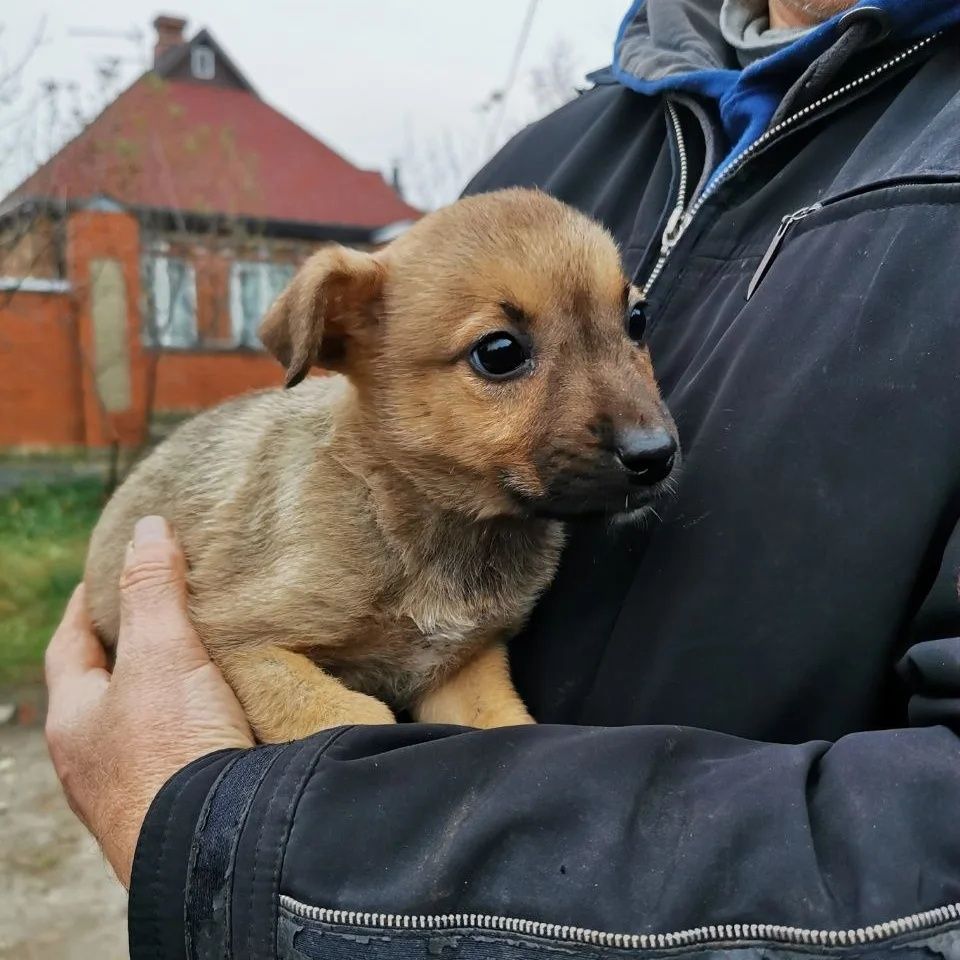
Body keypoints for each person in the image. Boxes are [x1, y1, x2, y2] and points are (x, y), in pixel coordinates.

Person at [45, 1, 960, 957]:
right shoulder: (578, 138)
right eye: (501, 354)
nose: (647, 430)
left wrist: (273, 834)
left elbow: (460, 663)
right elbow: (239, 644)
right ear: (344, 342)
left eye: (631, 325)